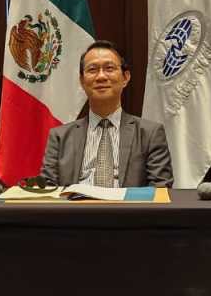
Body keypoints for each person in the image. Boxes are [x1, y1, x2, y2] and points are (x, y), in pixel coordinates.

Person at [41, 40, 173, 188]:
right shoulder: (60, 137)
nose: (101, 77)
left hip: (130, 203)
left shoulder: (150, 134)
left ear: (125, 77)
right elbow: (47, 190)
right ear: (82, 81)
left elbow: (160, 189)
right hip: (73, 203)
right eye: (92, 70)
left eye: (109, 68)